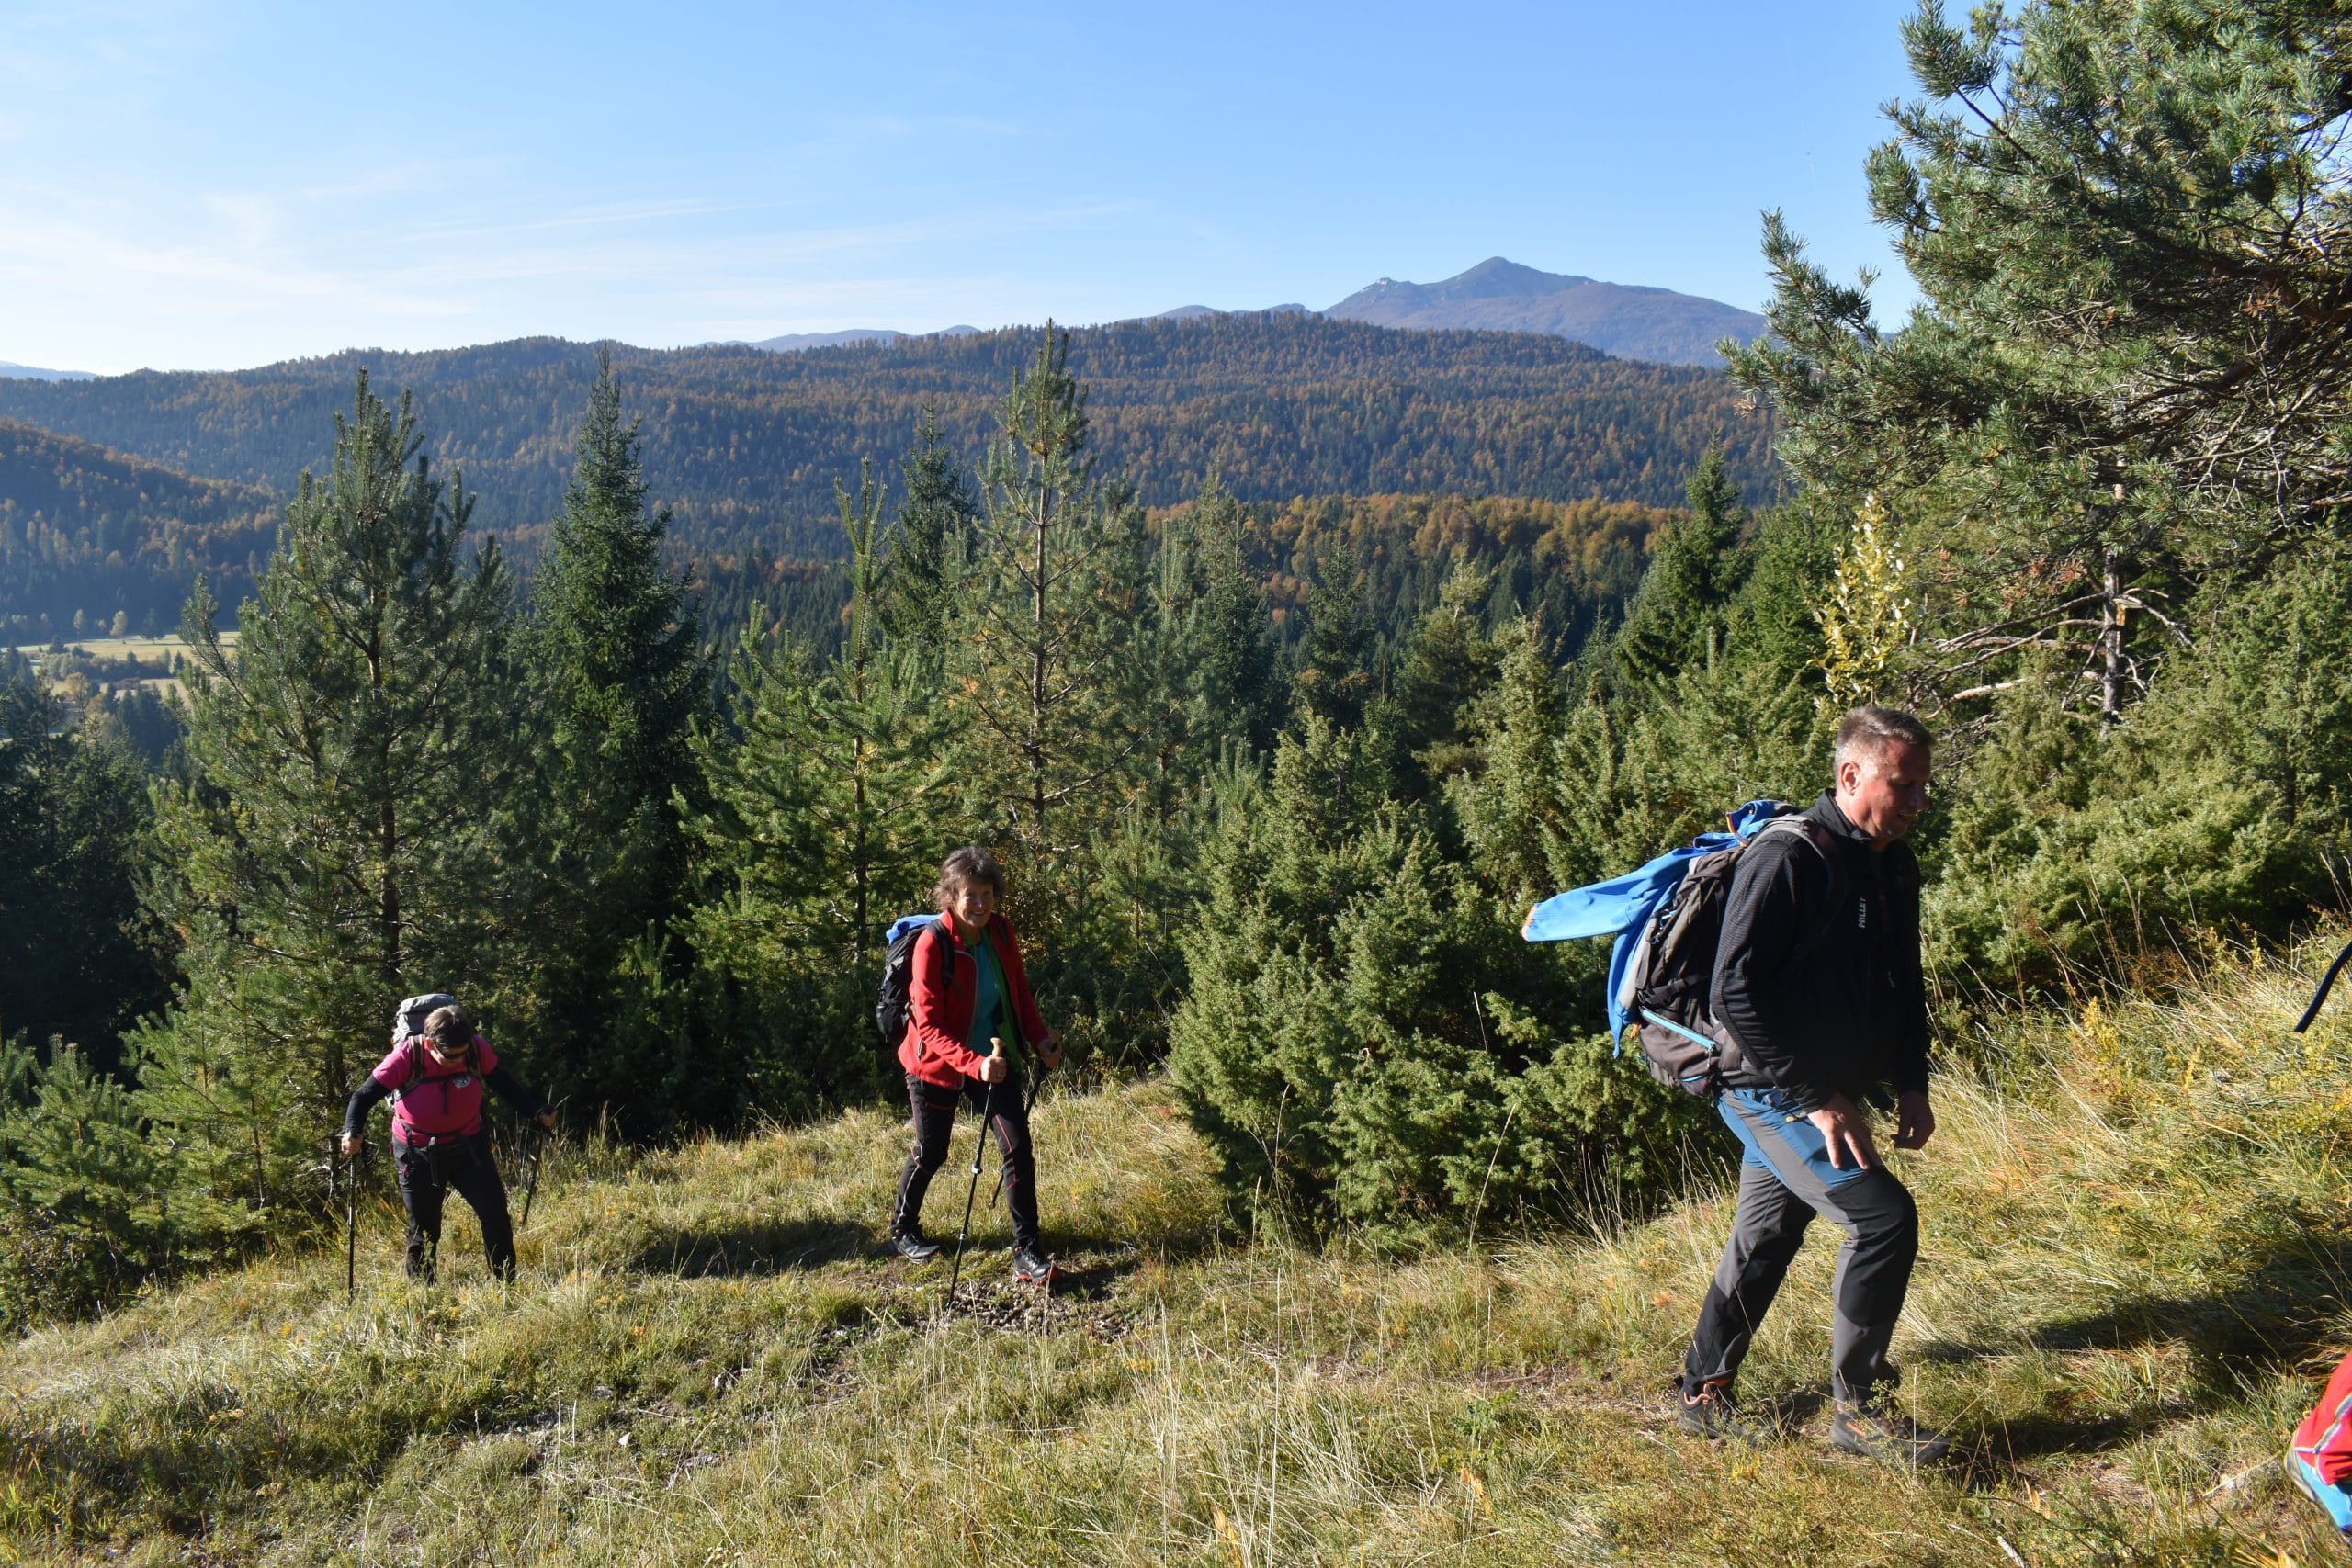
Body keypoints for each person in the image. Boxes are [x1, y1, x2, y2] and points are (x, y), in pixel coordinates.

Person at [1677, 706, 1948, 1463]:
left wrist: (1912, 1082)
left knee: (1766, 1235)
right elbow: (1734, 992)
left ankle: (1703, 1389)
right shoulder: (1789, 857)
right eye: (1905, 784)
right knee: (1883, 1218)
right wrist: (1817, 1097)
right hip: (1769, 1089)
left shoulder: (1892, 862)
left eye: (1926, 786)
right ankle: (1858, 1412)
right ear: (1849, 775)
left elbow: (1903, 980)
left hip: (1816, 1092)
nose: (1919, 803)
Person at [888, 845, 1061, 1283]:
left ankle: (1027, 1250)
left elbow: (1018, 991)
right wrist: (973, 1063)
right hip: (937, 1065)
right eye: (970, 895)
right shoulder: (933, 944)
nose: (980, 904)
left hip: (995, 1058)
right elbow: (926, 1025)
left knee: (1017, 1148)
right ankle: (902, 1229)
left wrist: (1039, 1039)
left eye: (987, 893)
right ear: (951, 896)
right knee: (933, 1151)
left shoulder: (1001, 932)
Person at [340, 1003, 554, 1283]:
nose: (457, 1060)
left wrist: (535, 1111)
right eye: (449, 1056)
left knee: (495, 1213)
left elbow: (503, 1082)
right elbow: (362, 1097)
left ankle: (505, 1285)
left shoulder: (475, 1050)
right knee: (425, 1229)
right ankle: (426, 1297)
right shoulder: (406, 1056)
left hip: (468, 1146)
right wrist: (351, 1131)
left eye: (462, 1053)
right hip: (417, 1152)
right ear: (429, 1043)